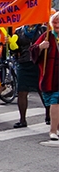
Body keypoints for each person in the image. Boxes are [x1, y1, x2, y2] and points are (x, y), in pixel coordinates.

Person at [12, 23, 47, 128]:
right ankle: (22, 120)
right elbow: (15, 50)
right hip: (24, 63)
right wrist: (11, 44)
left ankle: (49, 115)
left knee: (42, 90)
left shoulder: (44, 29)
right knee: (22, 90)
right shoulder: (19, 31)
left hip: (39, 63)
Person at [33, 11, 59, 140]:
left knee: (56, 101)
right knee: (51, 101)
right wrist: (41, 47)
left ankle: (53, 130)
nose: (57, 24)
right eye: (55, 21)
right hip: (50, 75)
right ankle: (55, 128)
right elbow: (33, 50)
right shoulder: (47, 36)